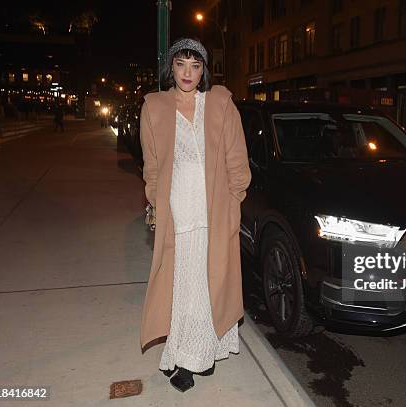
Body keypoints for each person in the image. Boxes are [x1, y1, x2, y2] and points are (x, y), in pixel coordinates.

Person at [138, 37, 251, 393]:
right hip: (177, 214)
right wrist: (156, 203)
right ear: (170, 67)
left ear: (204, 70)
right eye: (181, 64)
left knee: (210, 284)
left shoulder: (220, 103)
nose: (188, 73)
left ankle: (202, 353)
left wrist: (234, 203)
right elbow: (152, 167)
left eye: (195, 65)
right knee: (184, 288)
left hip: (215, 213)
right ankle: (189, 356)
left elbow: (237, 161)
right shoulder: (154, 107)